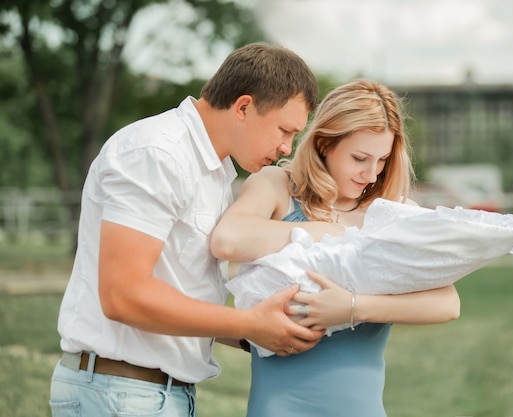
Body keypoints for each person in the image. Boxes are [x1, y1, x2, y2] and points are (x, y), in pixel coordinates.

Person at [49, 42, 334, 417]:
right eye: (285, 130)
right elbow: (123, 295)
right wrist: (250, 323)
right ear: (244, 107)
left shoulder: (212, 173)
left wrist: (272, 330)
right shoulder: (157, 153)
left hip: (151, 396)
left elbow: (180, 295)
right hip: (121, 394)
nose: (286, 148)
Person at [211, 79, 461, 416]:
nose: (371, 174)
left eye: (382, 160)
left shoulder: (390, 214)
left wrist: (352, 308)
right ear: (325, 143)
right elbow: (228, 240)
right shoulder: (277, 187)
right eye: (360, 158)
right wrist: (323, 231)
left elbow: (447, 303)